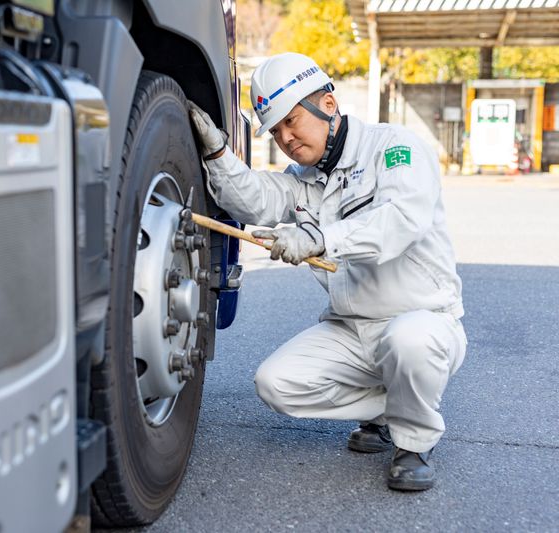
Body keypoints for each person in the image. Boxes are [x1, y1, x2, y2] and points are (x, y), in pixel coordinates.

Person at [188, 52, 467, 491]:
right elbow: (253, 199)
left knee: (408, 341)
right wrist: (218, 152)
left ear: (329, 106)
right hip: (351, 330)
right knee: (275, 384)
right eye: (276, 130)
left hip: (422, 320)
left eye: (292, 120)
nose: (286, 137)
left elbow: (401, 221)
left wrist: (321, 238)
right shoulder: (305, 177)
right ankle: (388, 408)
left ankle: (414, 442)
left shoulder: (394, 148)